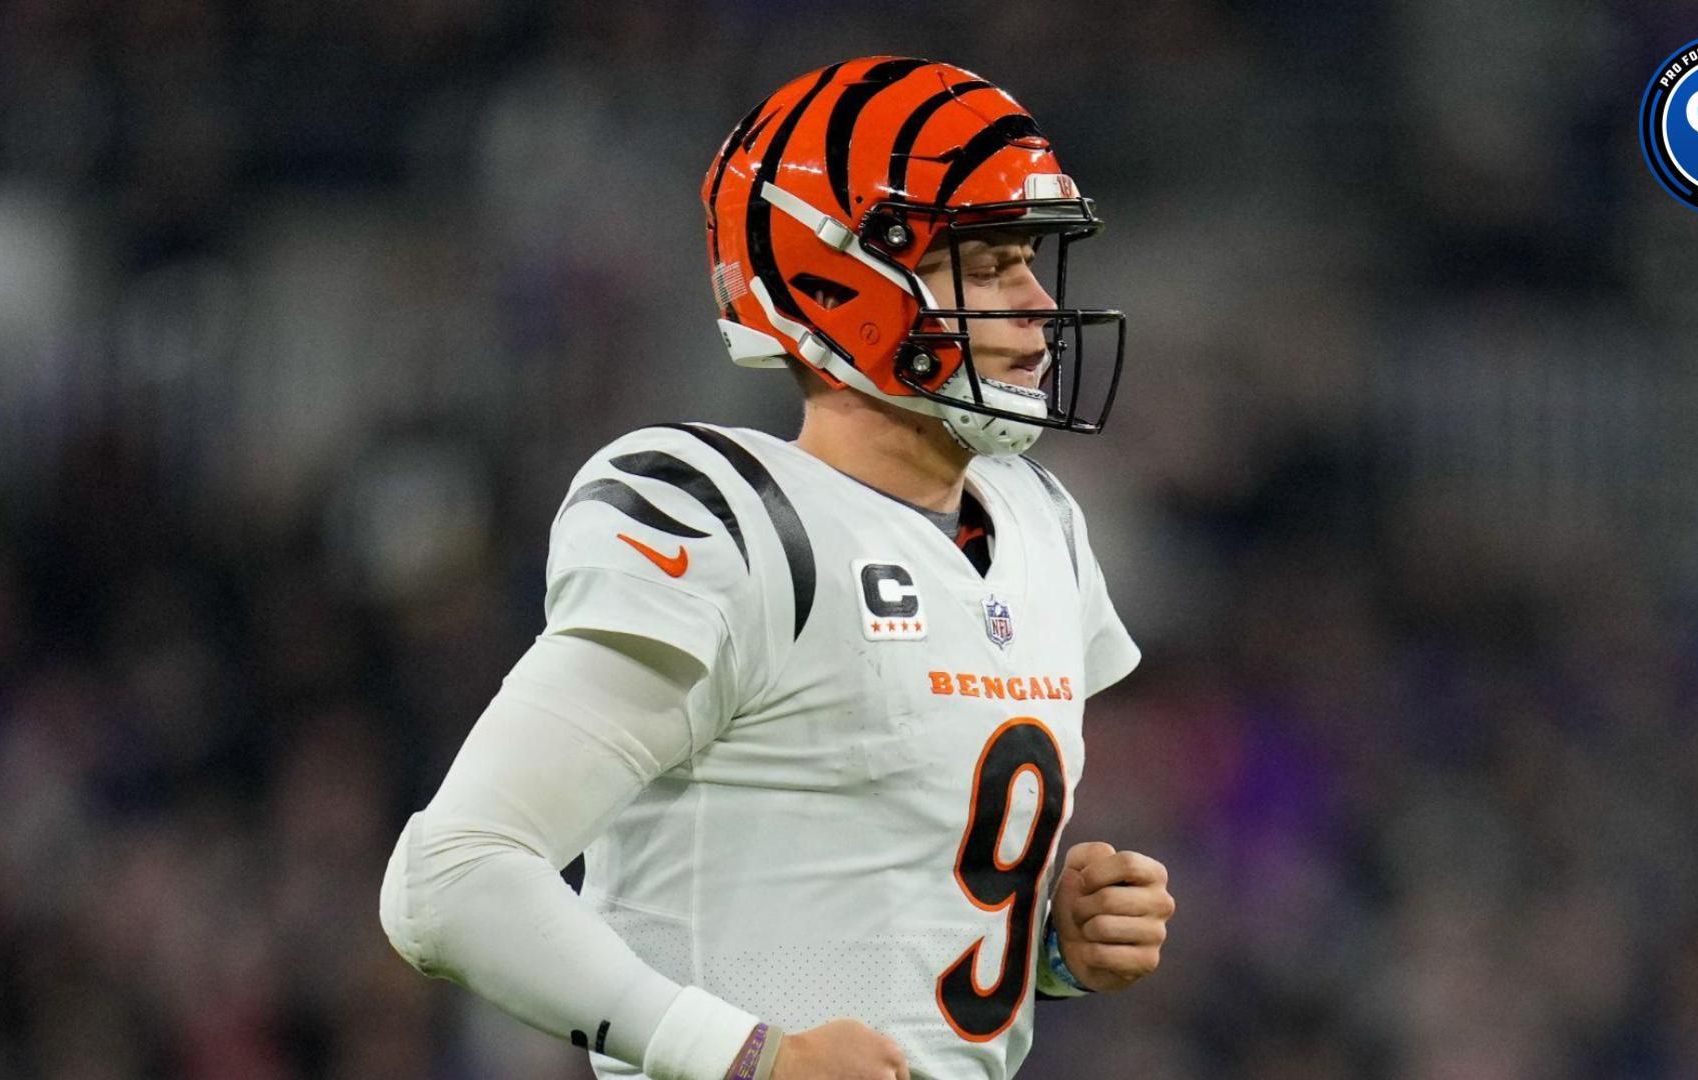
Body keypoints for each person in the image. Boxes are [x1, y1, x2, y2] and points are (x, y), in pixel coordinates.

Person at [381, 56, 1174, 1080]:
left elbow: (870, 893)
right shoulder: (726, 519)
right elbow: (449, 879)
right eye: (983, 266)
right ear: (835, 276)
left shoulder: (1040, 524)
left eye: (1028, 260)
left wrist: (1050, 951)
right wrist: (748, 1057)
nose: (1032, 303)